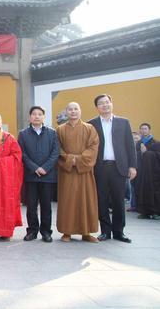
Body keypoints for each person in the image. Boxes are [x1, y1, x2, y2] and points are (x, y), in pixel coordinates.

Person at [88, 94, 136, 243]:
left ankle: (119, 232)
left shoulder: (123, 122)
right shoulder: (91, 124)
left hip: (119, 167)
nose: (105, 105)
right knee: (101, 200)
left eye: (107, 102)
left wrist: (133, 166)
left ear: (111, 104)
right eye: (101, 103)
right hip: (100, 167)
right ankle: (105, 232)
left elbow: (130, 145)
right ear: (97, 107)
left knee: (118, 201)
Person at [56, 102, 100, 243]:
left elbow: (93, 146)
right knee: (67, 201)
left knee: (86, 199)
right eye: (70, 109)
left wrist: (79, 160)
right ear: (66, 112)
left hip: (84, 171)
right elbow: (57, 148)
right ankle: (66, 232)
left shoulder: (89, 128)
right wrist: (69, 160)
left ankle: (86, 232)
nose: (73, 111)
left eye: (76, 109)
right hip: (67, 171)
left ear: (80, 111)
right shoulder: (60, 129)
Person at [17, 106, 59, 243]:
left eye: (40, 114)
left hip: (48, 175)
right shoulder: (23, 134)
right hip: (31, 175)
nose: (36, 116)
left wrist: (45, 168)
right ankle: (32, 231)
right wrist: (35, 168)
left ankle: (46, 232)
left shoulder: (52, 133)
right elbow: (22, 153)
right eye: (34, 114)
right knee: (31, 206)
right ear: (30, 117)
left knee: (47, 206)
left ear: (43, 117)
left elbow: (55, 153)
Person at [135, 123, 160, 219]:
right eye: (141, 129)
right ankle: (144, 212)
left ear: (149, 130)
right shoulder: (138, 143)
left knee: (154, 191)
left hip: (152, 173)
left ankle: (155, 212)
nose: (143, 130)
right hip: (141, 173)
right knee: (141, 191)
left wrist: (147, 153)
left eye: (145, 128)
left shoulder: (156, 143)